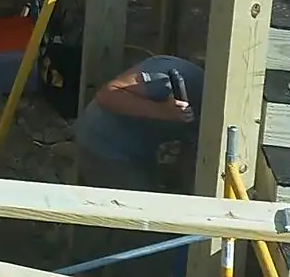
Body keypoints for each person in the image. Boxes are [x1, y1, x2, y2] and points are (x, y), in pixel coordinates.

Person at [75, 56, 205, 275]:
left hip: (137, 153)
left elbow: (190, 153)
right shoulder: (170, 75)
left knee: (135, 221)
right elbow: (109, 94)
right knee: (141, 226)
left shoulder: (212, 108)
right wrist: (165, 111)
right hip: (104, 147)